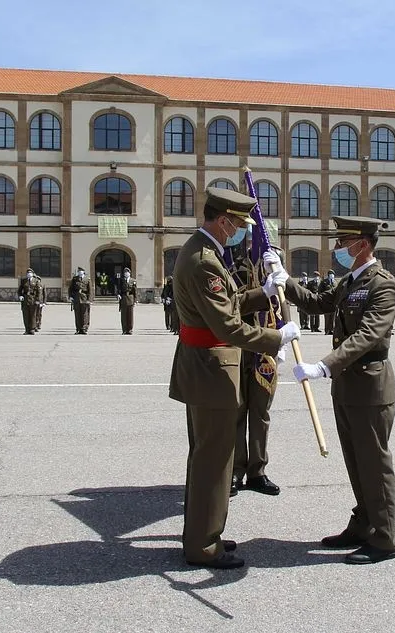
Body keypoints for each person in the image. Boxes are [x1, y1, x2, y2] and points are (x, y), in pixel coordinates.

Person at [168, 187, 300, 570]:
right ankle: (202, 546)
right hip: (212, 369)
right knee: (213, 460)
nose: (240, 230)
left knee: (209, 458)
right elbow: (228, 325)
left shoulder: (202, 250)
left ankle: (203, 533)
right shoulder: (204, 259)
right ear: (223, 220)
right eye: (238, 224)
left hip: (205, 369)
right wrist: (278, 338)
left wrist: (266, 292)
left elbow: (232, 301)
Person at [283, 215, 395, 565]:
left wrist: (324, 365)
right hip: (347, 387)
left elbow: (369, 335)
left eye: (342, 242)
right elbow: (319, 303)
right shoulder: (352, 280)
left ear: (361, 244)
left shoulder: (382, 284)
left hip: (370, 387)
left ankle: (384, 538)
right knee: (356, 462)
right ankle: (364, 523)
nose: (337, 249)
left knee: (374, 464)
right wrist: (283, 280)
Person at [226, 246, 281, 498]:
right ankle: (236, 470)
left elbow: (282, 302)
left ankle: (257, 471)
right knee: (236, 410)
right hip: (238, 344)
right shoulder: (229, 265)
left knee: (260, 412)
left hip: (265, 349)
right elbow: (232, 304)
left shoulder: (274, 265)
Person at [69, 267, 94, 335]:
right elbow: (70, 288)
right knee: (77, 314)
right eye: (79, 271)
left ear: (83, 272)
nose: (80, 272)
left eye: (81, 271)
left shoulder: (87, 279)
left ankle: (84, 329)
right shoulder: (75, 279)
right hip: (76, 298)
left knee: (85, 314)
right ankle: (78, 329)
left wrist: (89, 299)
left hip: (84, 298)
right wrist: (70, 296)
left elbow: (90, 290)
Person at [18, 268, 43, 335]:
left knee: (33, 315)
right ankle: (27, 329)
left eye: (30, 272)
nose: (29, 274)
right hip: (25, 299)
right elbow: (20, 290)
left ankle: (32, 329)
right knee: (26, 315)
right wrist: (20, 295)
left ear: (32, 273)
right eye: (28, 273)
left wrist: (38, 300)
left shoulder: (36, 281)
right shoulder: (23, 281)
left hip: (33, 299)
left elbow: (39, 292)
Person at [116, 267, 137, 334]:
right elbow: (119, 289)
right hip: (124, 298)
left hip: (130, 298)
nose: (126, 273)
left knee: (130, 315)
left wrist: (135, 300)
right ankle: (124, 330)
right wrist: (118, 294)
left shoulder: (133, 281)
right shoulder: (121, 280)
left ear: (129, 273)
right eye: (125, 272)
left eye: (127, 272)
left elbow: (135, 291)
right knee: (124, 316)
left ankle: (130, 329)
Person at [319, 270, 336, 334]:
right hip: (326, 302)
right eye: (330, 274)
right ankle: (327, 330)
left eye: (332, 274)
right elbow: (320, 291)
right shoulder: (324, 282)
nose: (331, 275)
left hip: (333, 303)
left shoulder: (335, 282)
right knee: (327, 317)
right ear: (328, 275)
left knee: (332, 317)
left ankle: (331, 330)